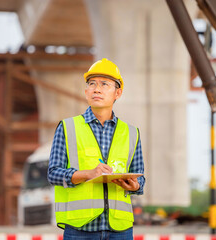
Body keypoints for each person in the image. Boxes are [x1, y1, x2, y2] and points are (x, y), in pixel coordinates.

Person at [48, 58, 145, 240]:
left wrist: (135, 185)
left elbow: (140, 179)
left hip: (120, 229)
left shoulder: (132, 133)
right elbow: (53, 173)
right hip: (80, 228)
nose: (97, 89)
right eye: (92, 84)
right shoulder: (68, 127)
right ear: (86, 92)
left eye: (104, 84)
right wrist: (88, 174)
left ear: (118, 93)